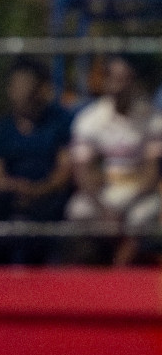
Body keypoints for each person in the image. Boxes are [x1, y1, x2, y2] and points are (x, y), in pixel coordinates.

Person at [66, 55, 162, 266]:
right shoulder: (89, 120)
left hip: (138, 193)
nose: (120, 86)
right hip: (103, 193)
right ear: (106, 81)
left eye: (125, 79)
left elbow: (152, 173)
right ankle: (92, 266)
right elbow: (83, 173)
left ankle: (119, 272)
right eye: (115, 79)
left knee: (142, 215)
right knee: (78, 210)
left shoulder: (153, 120)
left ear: (134, 81)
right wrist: (104, 208)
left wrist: (123, 207)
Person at [0, 58, 73, 265]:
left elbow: (64, 171)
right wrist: (19, 189)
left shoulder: (62, 124)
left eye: (29, 86)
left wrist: (39, 191)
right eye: (17, 86)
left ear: (41, 89)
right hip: (9, 203)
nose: (23, 93)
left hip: (52, 203)